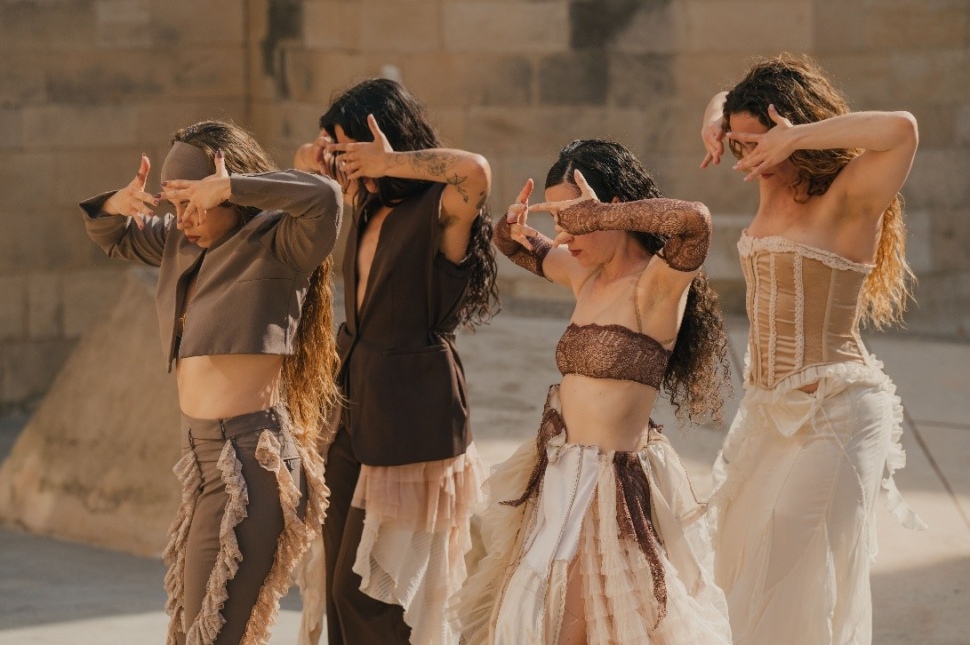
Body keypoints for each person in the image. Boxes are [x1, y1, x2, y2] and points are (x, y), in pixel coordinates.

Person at [453, 139, 733, 644]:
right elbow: (508, 242)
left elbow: (696, 222)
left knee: (579, 629)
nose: (565, 235)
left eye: (576, 219)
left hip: (611, 491)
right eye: (560, 221)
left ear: (612, 207)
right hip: (557, 476)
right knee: (530, 620)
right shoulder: (584, 274)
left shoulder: (656, 286)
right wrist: (514, 223)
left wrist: (601, 215)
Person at [80, 120, 343, 644]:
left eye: (198, 202)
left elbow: (326, 198)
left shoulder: (279, 242)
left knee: (211, 634)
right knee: (193, 632)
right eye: (178, 204)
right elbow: (114, 237)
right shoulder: (180, 243)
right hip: (202, 465)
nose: (186, 218)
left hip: (252, 462)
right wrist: (114, 204)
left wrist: (233, 187)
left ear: (228, 191)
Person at [699, 53, 927, 644]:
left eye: (758, 144)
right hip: (767, 414)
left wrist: (796, 136)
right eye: (739, 145)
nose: (748, 158)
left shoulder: (850, 197)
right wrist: (715, 119)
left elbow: (902, 129)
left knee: (788, 562)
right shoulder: (769, 180)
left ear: (793, 130)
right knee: (736, 560)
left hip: (838, 410)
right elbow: (725, 97)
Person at [293, 78, 498, 645]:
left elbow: (476, 171)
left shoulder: (439, 208)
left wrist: (390, 161)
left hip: (411, 417)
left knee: (367, 592)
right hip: (350, 410)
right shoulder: (366, 204)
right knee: (337, 586)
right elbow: (301, 163)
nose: (345, 163)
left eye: (349, 148)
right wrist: (324, 154)